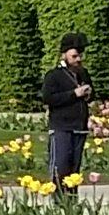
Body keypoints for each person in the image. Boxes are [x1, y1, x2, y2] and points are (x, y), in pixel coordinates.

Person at [39, 35, 95, 199]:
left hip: (79, 127)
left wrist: (88, 94)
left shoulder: (83, 73)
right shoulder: (53, 75)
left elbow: (91, 95)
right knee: (60, 167)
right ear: (64, 55)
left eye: (80, 56)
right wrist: (74, 94)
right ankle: (58, 201)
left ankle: (71, 202)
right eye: (74, 56)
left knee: (74, 171)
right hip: (61, 127)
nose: (78, 60)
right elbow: (48, 98)